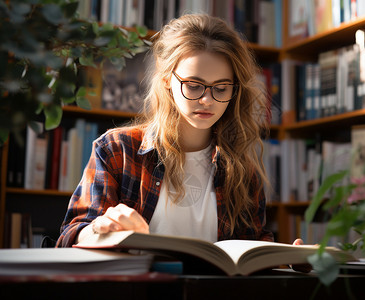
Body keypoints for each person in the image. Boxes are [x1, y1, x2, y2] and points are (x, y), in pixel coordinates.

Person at [56, 14, 275, 247]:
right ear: (166, 80)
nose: (207, 100)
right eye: (193, 86)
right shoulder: (116, 149)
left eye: (221, 88)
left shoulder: (242, 170)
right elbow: (68, 238)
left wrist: (291, 259)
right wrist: (97, 229)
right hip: (137, 283)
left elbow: (254, 248)